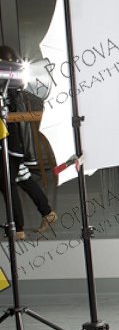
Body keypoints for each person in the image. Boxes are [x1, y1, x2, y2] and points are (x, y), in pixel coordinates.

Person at [0, 44, 57, 240]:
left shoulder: (7, 87)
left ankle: (18, 229)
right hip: (16, 144)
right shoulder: (14, 86)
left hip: (9, 144)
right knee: (22, 177)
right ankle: (47, 213)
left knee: (7, 184)